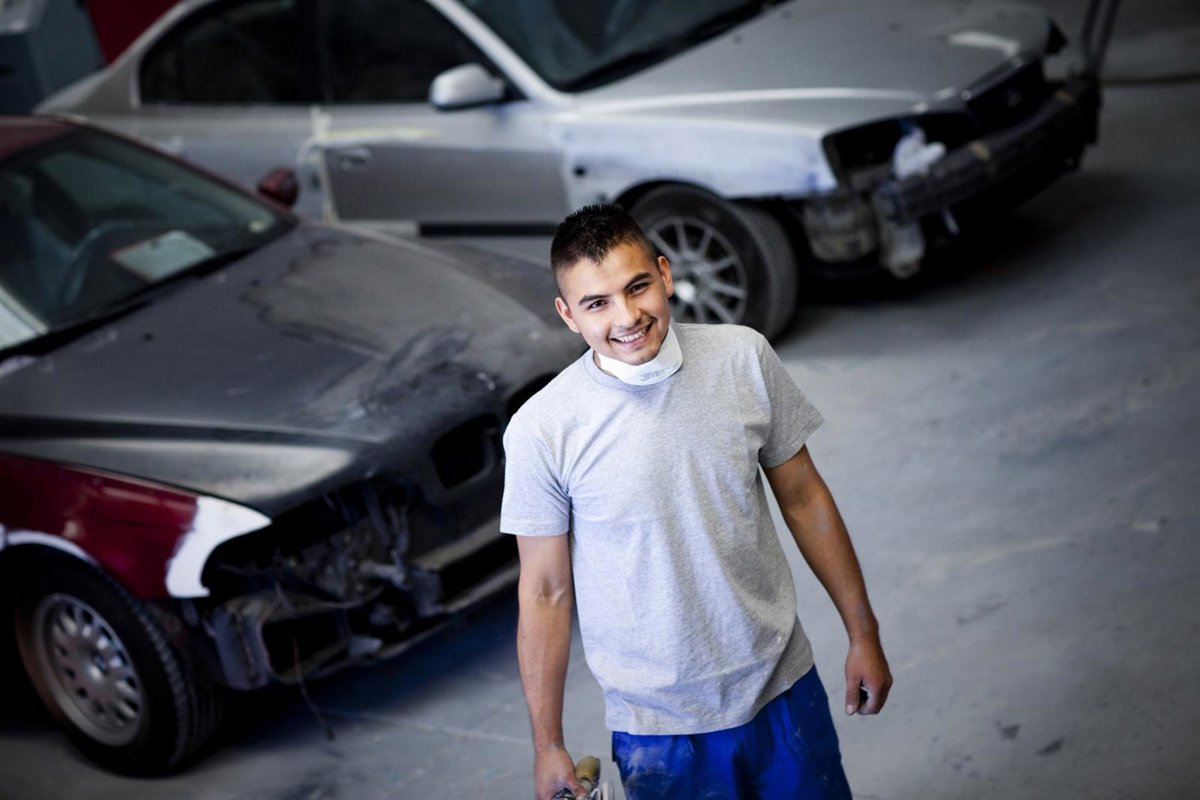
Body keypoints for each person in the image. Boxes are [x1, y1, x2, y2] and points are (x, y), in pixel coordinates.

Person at [501, 204, 891, 800]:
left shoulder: (743, 357)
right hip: (660, 731)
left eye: (637, 287)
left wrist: (863, 634)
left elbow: (805, 498)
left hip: (783, 687)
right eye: (597, 303)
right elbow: (545, 591)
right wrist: (547, 743)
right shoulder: (542, 430)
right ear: (568, 314)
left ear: (665, 273)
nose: (627, 317)